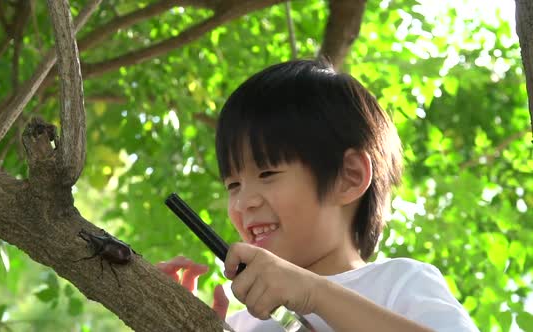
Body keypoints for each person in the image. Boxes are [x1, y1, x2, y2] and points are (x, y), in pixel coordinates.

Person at [157, 59, 479, 331]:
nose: (243, 203)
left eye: (267, 173)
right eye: (233, 185)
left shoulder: (399, 283)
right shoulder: (244, 324)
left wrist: (314, 294)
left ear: (348, 177)